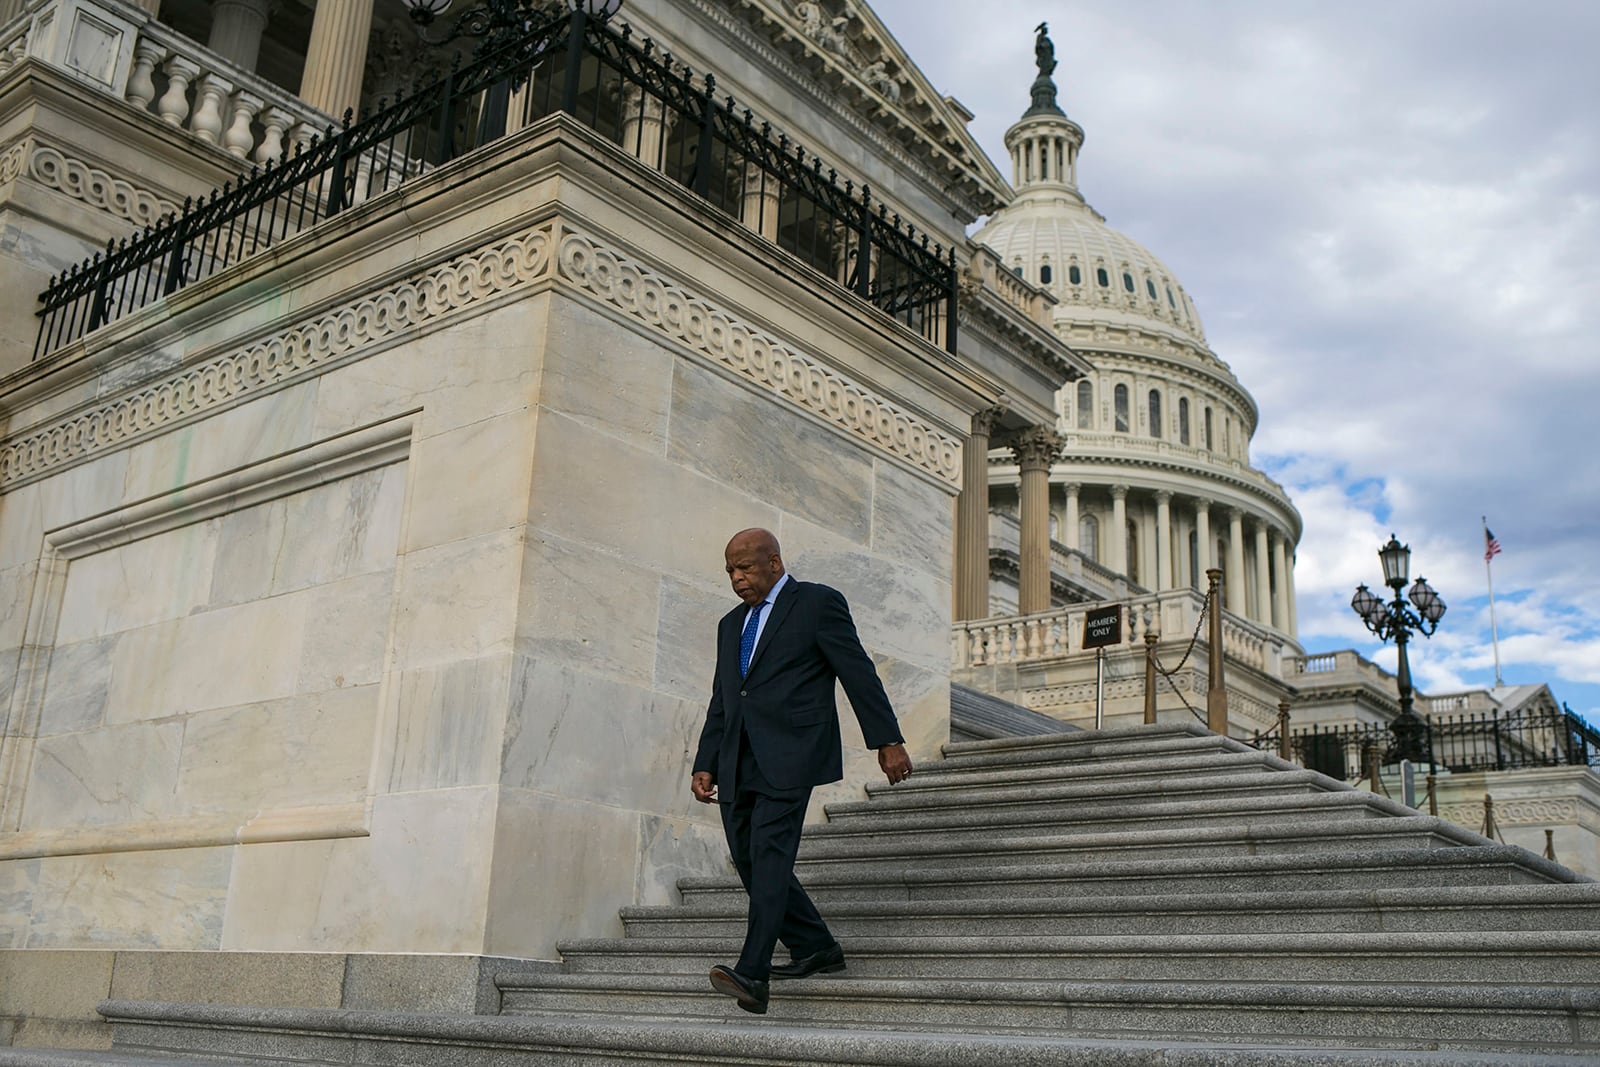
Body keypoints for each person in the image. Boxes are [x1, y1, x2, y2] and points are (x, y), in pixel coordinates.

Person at [691, 528, 913, 1014]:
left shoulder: (816, 604)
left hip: (792, 753)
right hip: (737, 759)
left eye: (745, 567)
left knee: (769, 855)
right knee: (749, 860)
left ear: (774, 562)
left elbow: (858, 671)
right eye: (730, 570)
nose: (736, 578)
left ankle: (753, 972)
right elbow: (723, 698)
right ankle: (816, 946)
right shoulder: (731, 625)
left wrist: (887, 740)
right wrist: (705, 761)